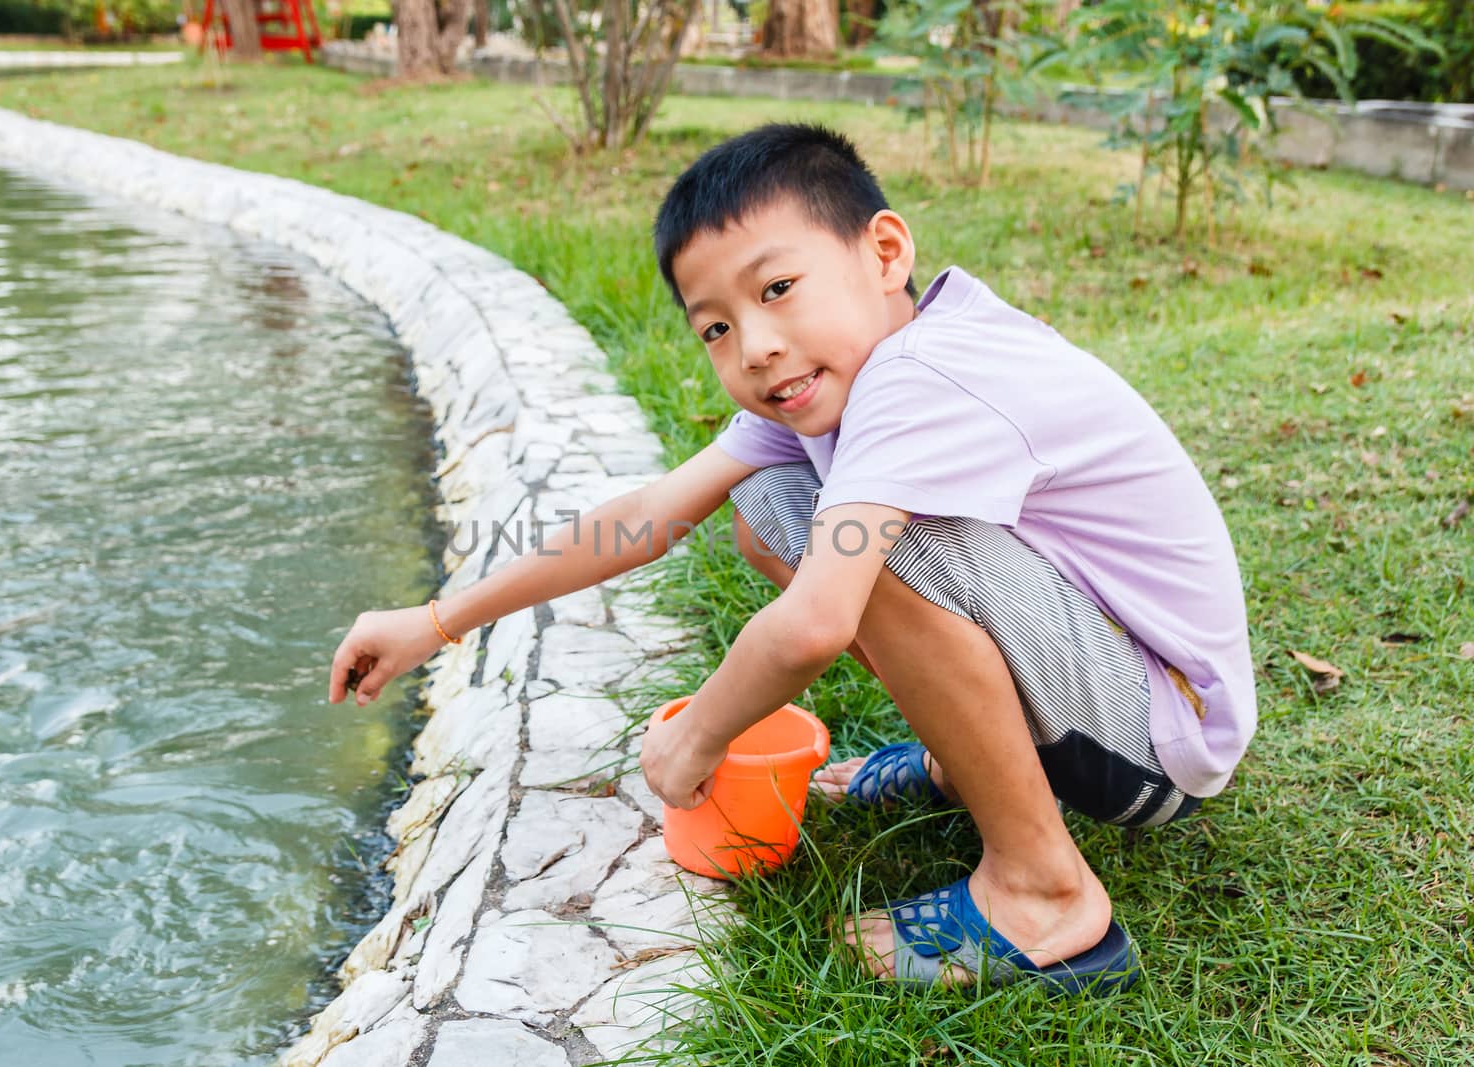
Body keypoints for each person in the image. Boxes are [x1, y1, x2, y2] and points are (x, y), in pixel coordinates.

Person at [329, 123, 1255, 994]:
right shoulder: (839, 376)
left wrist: (698, 737)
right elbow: (645, 518)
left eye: (776, 291)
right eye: (716, 328)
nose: (756, 346)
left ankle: (1047, 894)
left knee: (870, 554)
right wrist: (438, 620)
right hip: (1094, 690)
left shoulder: (918, 376)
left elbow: (815, 624)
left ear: (885, 253)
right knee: (769, 506)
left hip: (1155, 739)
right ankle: (961, 761)